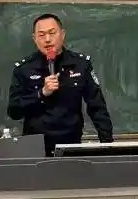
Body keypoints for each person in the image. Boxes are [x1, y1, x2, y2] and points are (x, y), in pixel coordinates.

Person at [7, 13, 113, 155]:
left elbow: (97, 107)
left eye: (52, 33)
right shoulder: (24, 69)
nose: (47, 39)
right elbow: (14, 111)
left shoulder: (80, 65)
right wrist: (41, 93)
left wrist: (107, 145)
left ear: (62, 35)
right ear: (34, 39)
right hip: (35, 148)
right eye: (41, 35)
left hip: (71, 145)